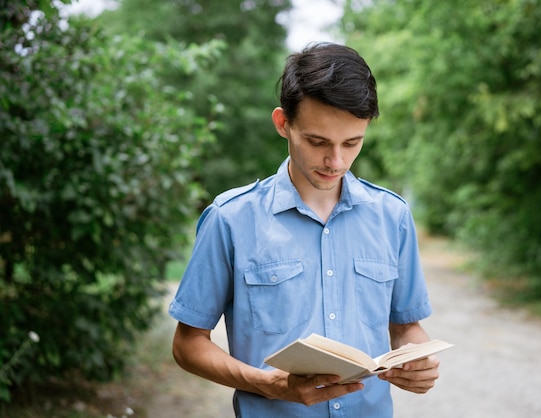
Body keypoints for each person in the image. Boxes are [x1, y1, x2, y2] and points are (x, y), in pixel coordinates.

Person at [168, 42, 440, 418]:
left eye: (352, 142)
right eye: (317, 142)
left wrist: (418, 363)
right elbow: (187, 344)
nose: (336, 161)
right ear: (284, 123)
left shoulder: (392, 215)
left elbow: (407, 327)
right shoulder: (230, 219)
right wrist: (268, 384)